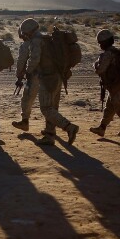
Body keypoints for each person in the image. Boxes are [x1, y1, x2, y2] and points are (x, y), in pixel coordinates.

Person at [21, 18, 79, 146]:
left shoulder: (37, 42)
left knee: (46, 108)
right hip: (58, 76)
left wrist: (27, 71)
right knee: (53, 107)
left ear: (27, 31)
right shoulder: (47, 39)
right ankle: (49, 134)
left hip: (48, 78)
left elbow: (34, 60)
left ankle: (69, 127)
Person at [91, 29, 120, 140]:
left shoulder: (108, 54)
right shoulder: (116, 52)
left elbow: (100, 69)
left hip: (116, 85)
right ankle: (102, 128)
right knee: (110, 107)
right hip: (118, 83)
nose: (100, 45)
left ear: (106, 42)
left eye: (101, 42)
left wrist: (95, 64)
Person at [11, 24, 38, 131]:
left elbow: (21, 62)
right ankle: (50, 128)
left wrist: (19, 76)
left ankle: (24, 121)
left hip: (33, 76)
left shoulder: (26, 45)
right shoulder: (41, 42)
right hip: (47, 75)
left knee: (26, 99)